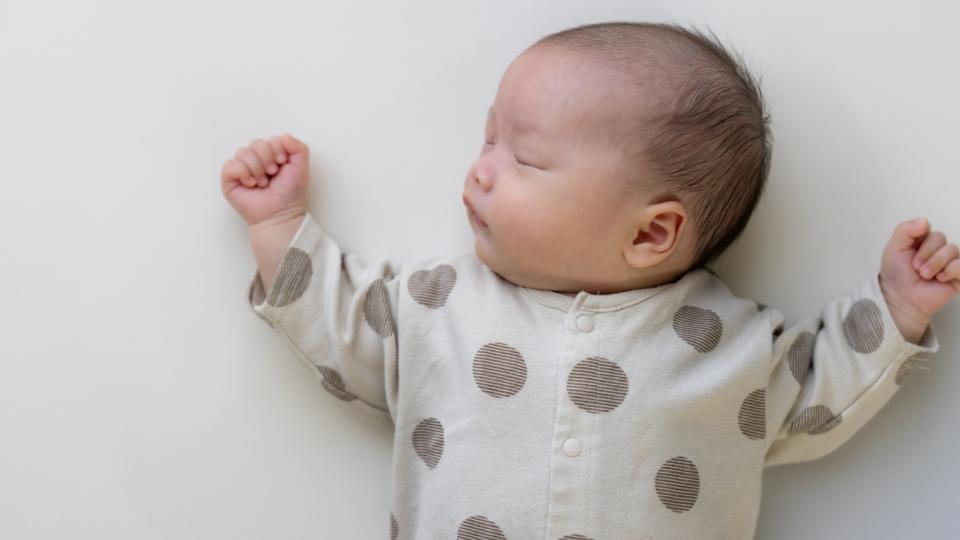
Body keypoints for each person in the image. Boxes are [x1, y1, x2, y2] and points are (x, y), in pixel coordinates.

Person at [220, 21, 957, 539]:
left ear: (650, 233)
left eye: (525, 159)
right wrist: (279, 226)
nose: (480, 168)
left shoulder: (727, 345)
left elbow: (819, 397)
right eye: (488, 139)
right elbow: (343, 330)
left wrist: (894, 311)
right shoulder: (438, 305)